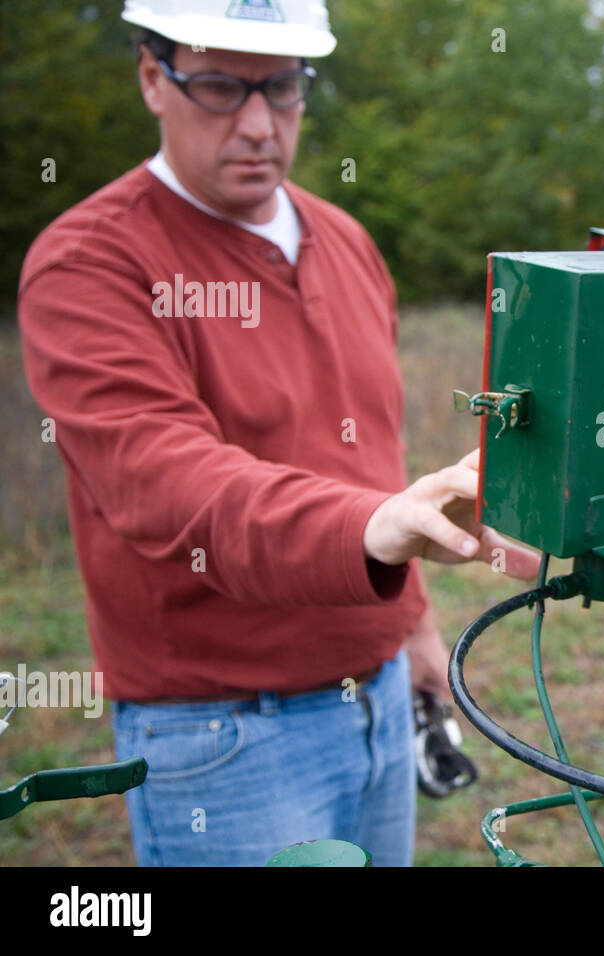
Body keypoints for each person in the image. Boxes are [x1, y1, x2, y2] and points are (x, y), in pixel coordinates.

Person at [16, 0, 538, 866]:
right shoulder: (90, 264)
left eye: (283, 87)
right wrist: (366, 530)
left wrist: (407, 628)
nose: (259, 123)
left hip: (373, 696)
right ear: (153, 76)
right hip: (225, 735)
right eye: (220, 85)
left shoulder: (345, 242)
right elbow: (170, 482)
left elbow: (370, 455)